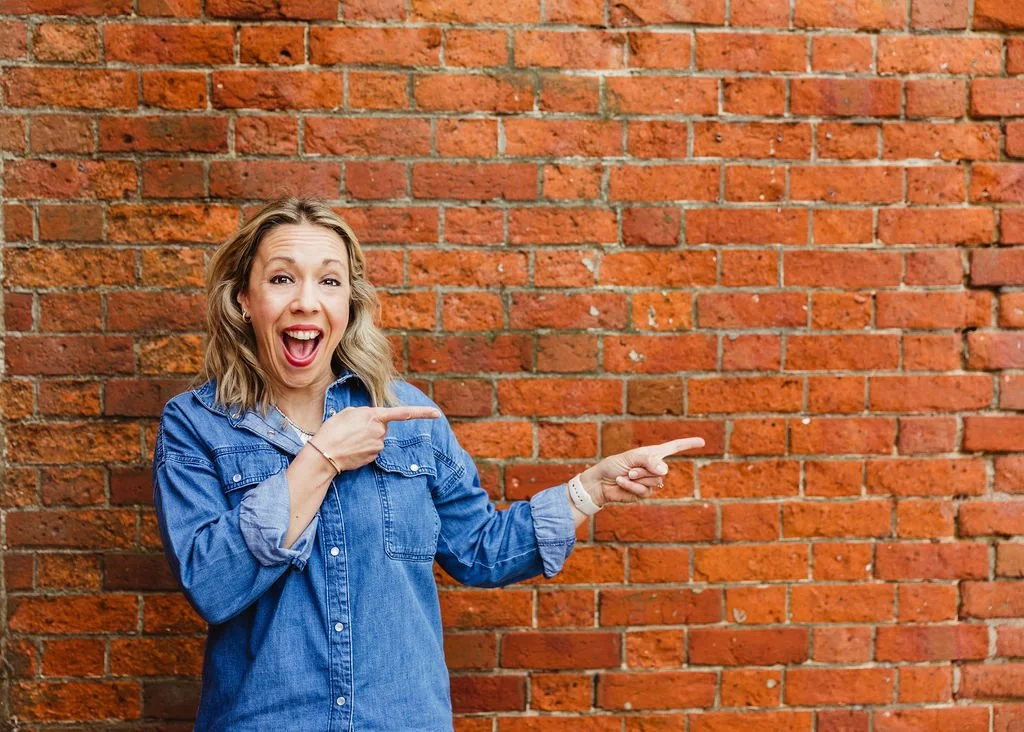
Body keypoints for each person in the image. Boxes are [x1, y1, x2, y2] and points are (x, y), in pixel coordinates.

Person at [152, 197, 704, 730]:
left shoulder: (407, 417)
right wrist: (320, 459)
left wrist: (590, 490)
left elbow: (479, 549)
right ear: (245, 299)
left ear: (349, 304)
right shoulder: (196, 424)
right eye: (280, 278)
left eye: (329, 280)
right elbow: (212, 585)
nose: (305, 300)